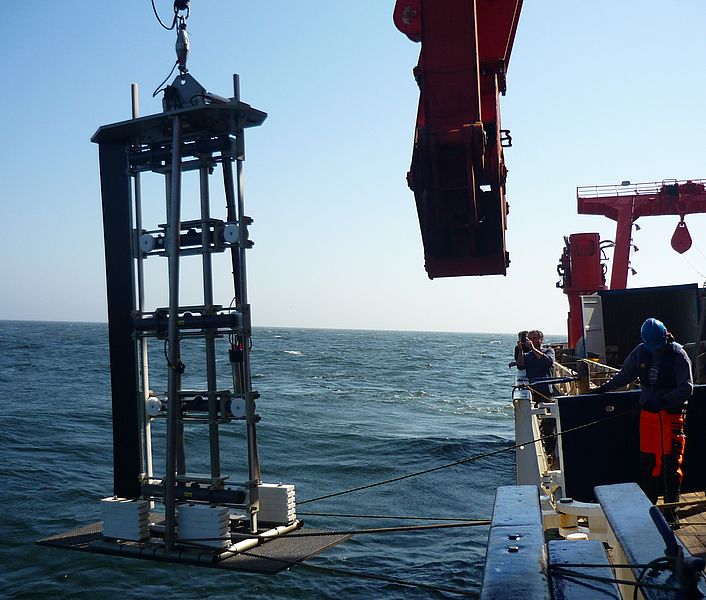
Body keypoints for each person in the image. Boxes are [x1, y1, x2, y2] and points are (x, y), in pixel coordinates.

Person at [593, 318, 693, 513]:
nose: (654, 350)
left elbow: (687, 388)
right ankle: (649, 509)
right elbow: (625, 374)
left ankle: (671, 511)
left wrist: (663, 401)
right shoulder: (640, 352)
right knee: (648, 463)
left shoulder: (678, 355)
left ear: (666, 337)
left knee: (671, 465)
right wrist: (605, 388)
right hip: (648, 417)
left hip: (671, 417)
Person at [517, 330, 557, 460]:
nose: (533, 341)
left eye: (535, 338)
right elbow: (520, 366)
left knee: (549, 423)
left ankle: (550, 451)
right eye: (530, 339)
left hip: (546, 392)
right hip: (534, 392)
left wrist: (533, 349)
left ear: (541, 339)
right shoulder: (528, 355)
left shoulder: (549, 351)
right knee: (537, 421)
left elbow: (548, 362)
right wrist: (520, 350)